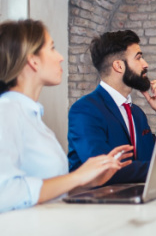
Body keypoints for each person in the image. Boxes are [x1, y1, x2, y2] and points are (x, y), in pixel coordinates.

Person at [0, 19, 132, 212]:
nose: (60, 57)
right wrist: (77, 176)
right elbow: (5, 193)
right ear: (33, 60)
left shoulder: (32, 116)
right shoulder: (7, 110)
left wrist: (90, 179)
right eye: (52, 48)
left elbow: (48, 190)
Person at [68, 30, 156, 185]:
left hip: (138, 201)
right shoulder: (85, 110)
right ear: (118, 66)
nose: (145, 64)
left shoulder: (137, 113)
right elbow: (103, 169)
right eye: (138, 58)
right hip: (98, 205)